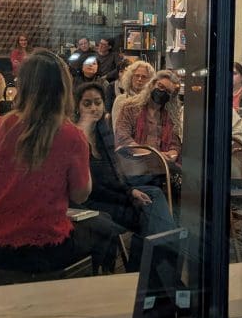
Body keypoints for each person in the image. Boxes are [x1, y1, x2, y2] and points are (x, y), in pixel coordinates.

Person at [0, 49, 95, 274]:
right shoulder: (72, 135)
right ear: (63, 88)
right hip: (46, 248)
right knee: (104, 233)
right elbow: (80, 195)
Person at [72, 81, 174, 271]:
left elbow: (115, 172)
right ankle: (151, 271)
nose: (94, 108)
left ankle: (144, 269)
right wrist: (127, 193)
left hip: (113, 194)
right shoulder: (74, 135)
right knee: (149, 216)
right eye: (87, 103)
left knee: (154, 195)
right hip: (91, 200)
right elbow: (91, 186)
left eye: (98, 102)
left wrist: (130, 190)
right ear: (77, 106)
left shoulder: (103, 131)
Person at [114, 69, 183, 185]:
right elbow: (122, 137)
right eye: (160, 86)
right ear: (152, 84)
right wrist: (154, 155)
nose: (162, 92)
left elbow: (174, 144)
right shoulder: (130, 108)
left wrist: (172, 154)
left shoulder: (170, 116)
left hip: (160, 171)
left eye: (168, 91)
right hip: (134, 168)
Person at [112, 60, 153, 124]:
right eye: (137, 75)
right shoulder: (121, 100)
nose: (139, 79)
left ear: (150, 80)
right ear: (130, 77)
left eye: (144, 77)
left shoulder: (152, 101)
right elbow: (117, 129)